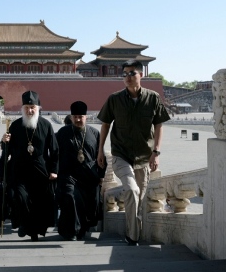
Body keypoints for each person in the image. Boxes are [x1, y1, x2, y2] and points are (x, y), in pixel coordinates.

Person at [97, 60, 170, 246]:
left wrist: (157, 152)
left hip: (144, 157)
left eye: (132, 73)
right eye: (125, 74)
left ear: (141, 75)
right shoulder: (114, 99)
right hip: (121, 155)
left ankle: (133, 236)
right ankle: (133, 235)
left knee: (139, 199)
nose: (128, 77)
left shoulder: (152, 98)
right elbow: (105, 124)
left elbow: (159, 125)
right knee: (131, 189)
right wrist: (100, 151)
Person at [2, 90, 59, 241]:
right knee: (21, 197)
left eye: (32, 107)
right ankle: (24, 225)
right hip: (20, 169)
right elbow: (8, 150)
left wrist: (54, 170)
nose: (30, 110)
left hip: (40, 169)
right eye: (27, 107)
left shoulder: (46, 125)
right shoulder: (14, 126)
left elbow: (54, 149)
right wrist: (5, 142)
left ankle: (34, 231)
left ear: (38, 108)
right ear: (23, 109)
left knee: (39, 201)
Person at [56, 101, 106, 241]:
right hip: (69, 175)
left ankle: (81, 230)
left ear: (86, 117)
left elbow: (100, 155)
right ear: (71, 117)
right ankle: (70, 231)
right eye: (75, 117)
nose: (78, 120)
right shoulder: (63, 133)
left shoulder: (95, 133)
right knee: (70, 197)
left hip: (89, 176)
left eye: (81, 117)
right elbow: (54, 153)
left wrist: (101, 176)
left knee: (87, 205)